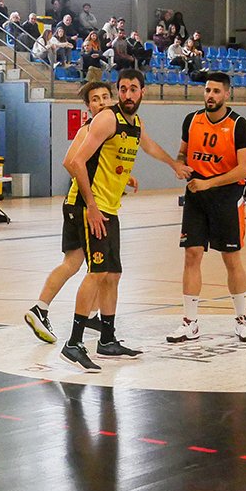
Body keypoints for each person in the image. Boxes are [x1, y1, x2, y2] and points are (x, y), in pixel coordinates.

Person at [60, 68, 191, 371]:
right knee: (96, 272)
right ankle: (74, 342)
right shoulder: (108, 118)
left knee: (113, 274)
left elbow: (149, 146)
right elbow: (76, 161)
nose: (128, 95)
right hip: (90, 206)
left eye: (133, 89)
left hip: (110, 207)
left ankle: (107, 339)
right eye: (123, 89)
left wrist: (173, 164)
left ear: (142, 91)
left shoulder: (135, 124)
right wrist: (91, 206)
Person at [24, 81, 125, 343]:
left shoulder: (104, 129)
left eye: (105, 97)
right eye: (95, 99)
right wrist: (89, 193)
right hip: (80, 204)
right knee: (93, 267)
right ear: (88, 106)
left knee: (76, 263)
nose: (101, 102)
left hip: (77, 203)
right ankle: (42, 309)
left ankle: (48, 309)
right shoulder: (90, 127)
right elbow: (70, 162)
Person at [165, 73, 246, 344]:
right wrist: (180, 165)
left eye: (216, 91)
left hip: (226, 196)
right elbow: (183, 152)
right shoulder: (192, 120)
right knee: (191, 255)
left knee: (231, 258)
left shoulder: (239, 125)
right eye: (207, 90)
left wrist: (210, 184)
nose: (210, 96)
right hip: (196, 194)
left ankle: (242, 320)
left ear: (227, 94)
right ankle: (190, 322)